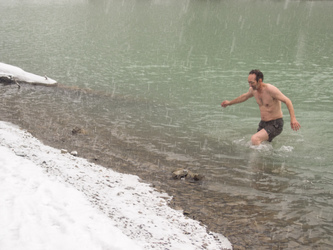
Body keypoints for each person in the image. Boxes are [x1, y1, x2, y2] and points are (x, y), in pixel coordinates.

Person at [221, 69, 301, 145]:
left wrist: (293, 118)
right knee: (259, 144)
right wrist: (229, 103)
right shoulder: (253, 90)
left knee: (255, 139)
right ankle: (268, 158)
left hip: (275, 124)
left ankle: (258, 160)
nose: (250, 85)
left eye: (252, 83)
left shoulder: (270, 90)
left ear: (260, 80)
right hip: (263, 123)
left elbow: (287, 101)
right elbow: (244, 97)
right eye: (248, 82)